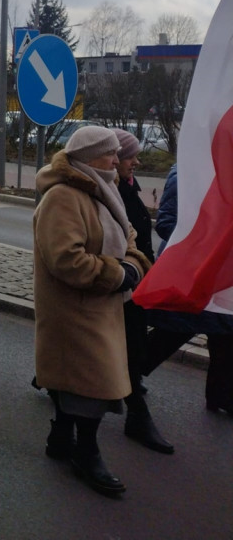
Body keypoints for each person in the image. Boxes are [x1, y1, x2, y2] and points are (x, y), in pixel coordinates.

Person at [33, 125, 151, 496]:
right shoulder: (63, 197)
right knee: (92, 386)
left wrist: (132, 265)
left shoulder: (104, 190)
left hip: (101, 306)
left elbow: (128, 237)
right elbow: (67, 260)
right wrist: (119, 274)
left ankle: (61, 437)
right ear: (88, 158)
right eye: (110, 152)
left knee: (84, 382)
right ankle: (87, 453)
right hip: (74, 310)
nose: (118, 159)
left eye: (118, 152)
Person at [139, 163, 233, 417]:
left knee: (225, 334)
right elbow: (167, 222)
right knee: (172, 332)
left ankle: (221, 396)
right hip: (190, 273)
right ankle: (122, 375)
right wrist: (205, 244)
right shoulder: (185, 172)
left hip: (220, 277)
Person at [111, 128, 175, 453]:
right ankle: (136, 414)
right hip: (120, 284)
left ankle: (54, 382)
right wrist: (131, 270)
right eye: (130, 156)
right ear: (115, 158)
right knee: (131, 344)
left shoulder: (126, 187)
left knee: (130, 346)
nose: (136, 161)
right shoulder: (111, 192)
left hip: (136, 281)